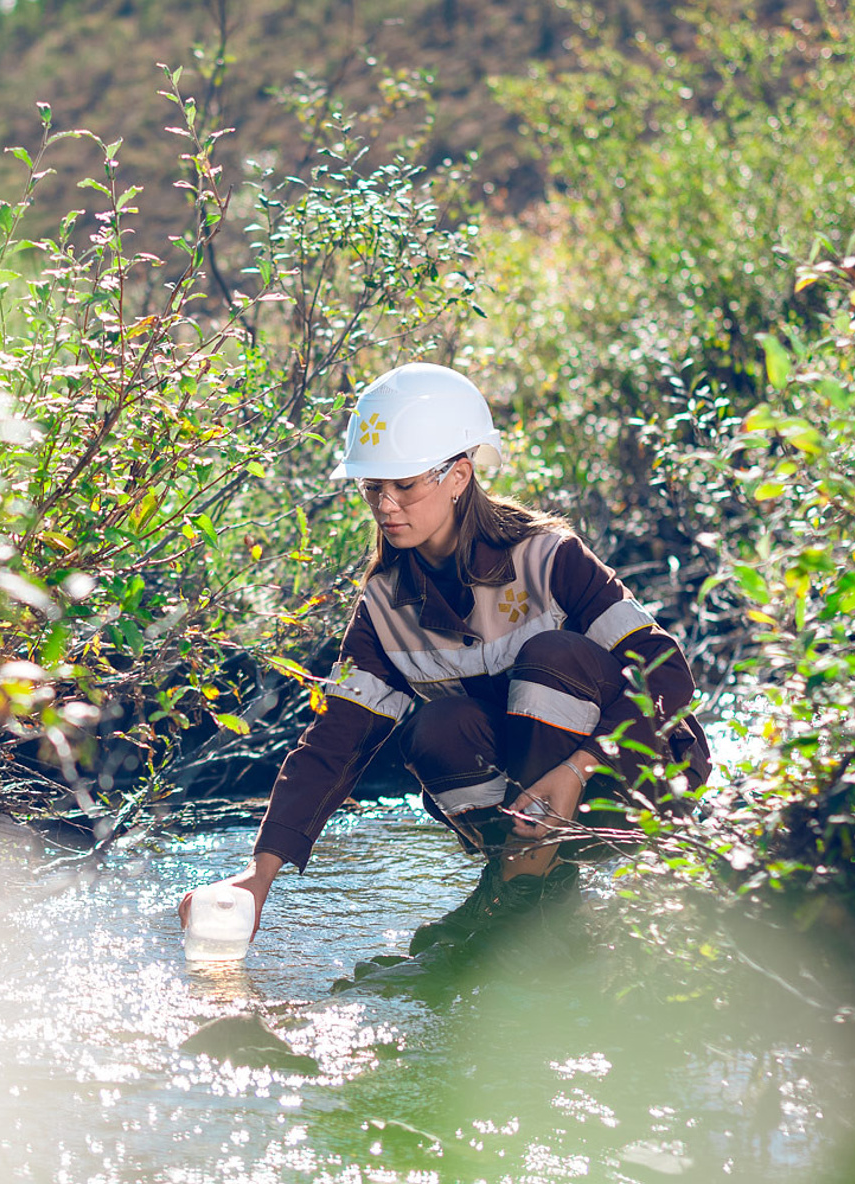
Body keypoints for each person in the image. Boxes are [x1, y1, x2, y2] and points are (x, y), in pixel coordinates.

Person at [178, 362, 711, 992]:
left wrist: (578, 768)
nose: (386, 506)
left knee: (553, 656)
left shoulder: (549, 556)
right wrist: (257, 876)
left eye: (404, 485)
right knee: (438, 726)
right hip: (522, 815)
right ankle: (522, 895)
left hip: (631, 786)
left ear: (458, 476)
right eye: (372, 488)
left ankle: (513, 912)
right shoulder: (384, 605)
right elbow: (333, 743)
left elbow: (665, 672)